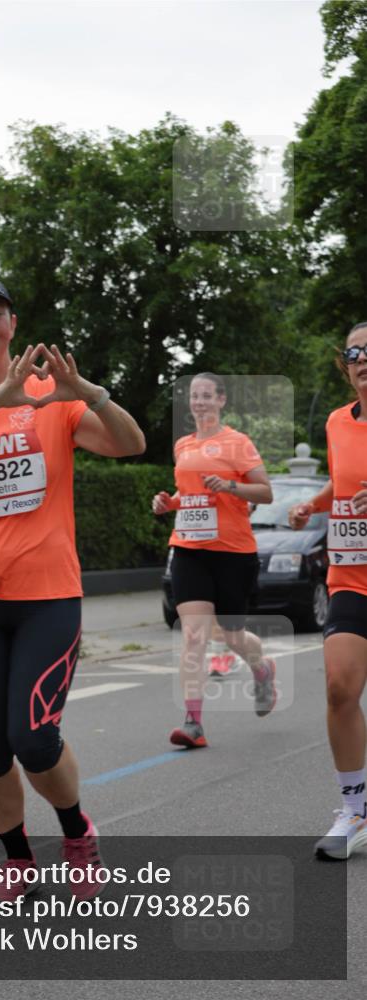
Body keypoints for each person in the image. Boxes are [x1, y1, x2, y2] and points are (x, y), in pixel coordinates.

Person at [0, 276, 145, 900]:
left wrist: (87, 393)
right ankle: (18, 858)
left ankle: (77, 833)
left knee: (34, 736)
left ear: (12, 325)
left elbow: (131, 444)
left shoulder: (52, 400)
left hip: (45, 593)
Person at [152, 373, 276, 748]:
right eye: (195, 397)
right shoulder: (183, 445)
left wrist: (232, 486)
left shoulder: (238, 443)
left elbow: (266, 492)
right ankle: (193, 723)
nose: (200, 402)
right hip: (189, 549)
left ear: (221, 400)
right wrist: (168, 503)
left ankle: (262, 667)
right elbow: (187, 491)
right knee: (193, 634)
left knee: (233, 635)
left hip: (233, 552)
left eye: (207, 396)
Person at [289, 322, 367, 860]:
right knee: (340, 688)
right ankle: (355, 807)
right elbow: (342, 481)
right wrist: (312, 506)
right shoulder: (339, 421)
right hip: (351, 575)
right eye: (355, 351)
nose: (363, 358)